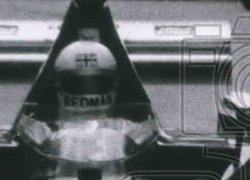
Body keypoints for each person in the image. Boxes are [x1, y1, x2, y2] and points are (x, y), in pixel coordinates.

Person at [17, 40, 155, 162]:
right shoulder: (40, 132)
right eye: (77, 83)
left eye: (98, 83)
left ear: (115, 84)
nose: (89, 90)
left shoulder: (130, 130)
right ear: (58, 85)